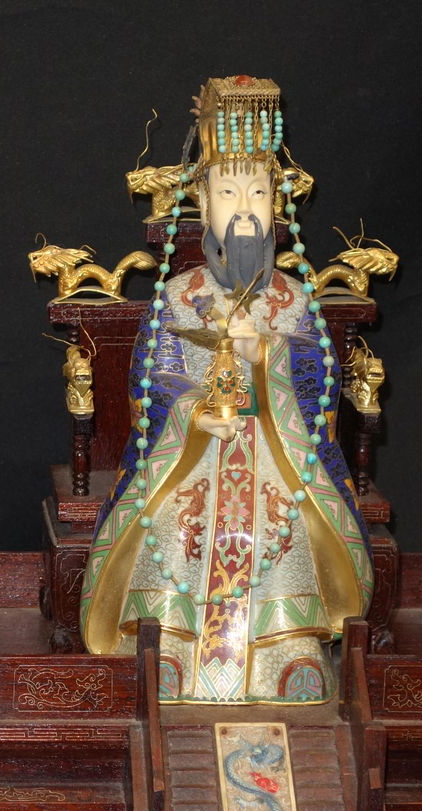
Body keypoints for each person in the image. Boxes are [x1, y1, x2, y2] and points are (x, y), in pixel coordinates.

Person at [79, 76, 372, 704]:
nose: (244, 207)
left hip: (277, 452)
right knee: (169, 520)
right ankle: (168, 642)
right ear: (202, 201)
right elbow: (150, 390)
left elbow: (319, 394)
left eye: (259, 191)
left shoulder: (295, 302)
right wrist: (192, 417)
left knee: (284, 520)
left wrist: (265, 359)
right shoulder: (177, 295)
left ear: (277, 205)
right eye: (228, 191)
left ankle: (288, 647)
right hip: (192, 456)